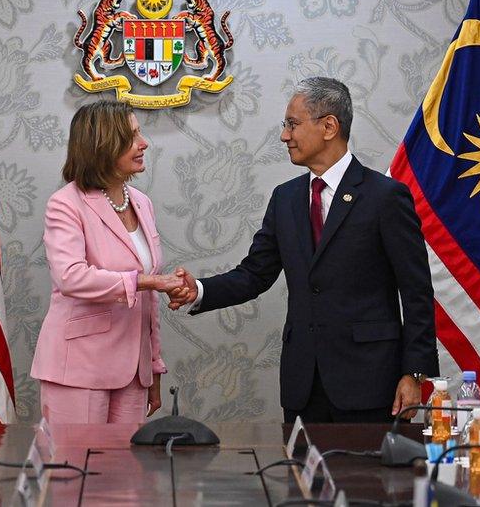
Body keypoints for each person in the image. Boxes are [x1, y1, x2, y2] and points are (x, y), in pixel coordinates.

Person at [168, 77, 439, 423]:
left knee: (367, 479)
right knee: (300, 477)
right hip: (303, 385)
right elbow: (254, 274)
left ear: (329, 126)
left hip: (369, 382)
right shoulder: (286, 199)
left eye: (292, 124)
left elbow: (416, 291)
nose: (285, 136)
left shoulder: (385, 197)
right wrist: (200, 290)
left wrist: (414, 373)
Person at [31, 101, 187, 424]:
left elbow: (149, 301)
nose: (144, 143)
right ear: (102, 146)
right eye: (132, 136)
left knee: (125, 473)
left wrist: (153, 365)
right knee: (75, 471)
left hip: (133, 373)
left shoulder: (142, 203)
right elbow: (71, 277)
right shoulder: (65, 204)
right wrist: (147, 281)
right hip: (79, 369)